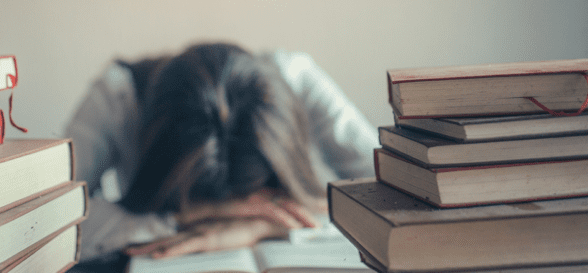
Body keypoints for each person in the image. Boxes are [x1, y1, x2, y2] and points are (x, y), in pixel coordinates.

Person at [64, 42, 377, 271]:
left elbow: (404, 198)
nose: (233, 207)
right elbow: (46, 226)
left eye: (247, 196)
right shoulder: (116, 96)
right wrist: (183, 215)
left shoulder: (298, 79)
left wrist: (263, 227)